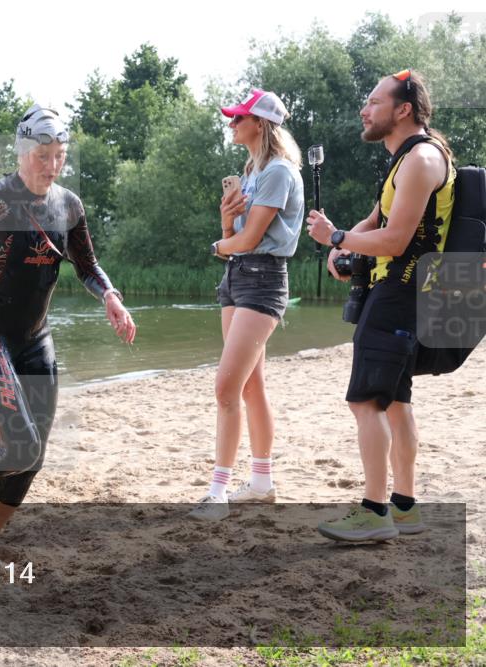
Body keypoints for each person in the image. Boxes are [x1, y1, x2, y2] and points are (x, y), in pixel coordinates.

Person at [0, 104, 136, 560]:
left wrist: (111, 296)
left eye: (59, 155)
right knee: (17, 444)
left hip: (36, 342)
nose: (51, 165)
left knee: (30, 457)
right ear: (21, 152)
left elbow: (87, 265)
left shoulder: (68, 204)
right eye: (42, 155)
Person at [307, 70, 454, 541]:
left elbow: (394, 239)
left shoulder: (422, 159)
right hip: (406, 292)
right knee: (395, 401)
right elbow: (374, 222)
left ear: (402, 109)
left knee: (365, 400)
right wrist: (342, 246)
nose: (364, 110)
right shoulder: (404, 162)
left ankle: (374, 512)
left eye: (373, 102)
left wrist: (335, 237)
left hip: (401, 292)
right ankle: (405, 507)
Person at [190, 89, 304, 521]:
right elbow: (237, 233)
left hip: (262, 279)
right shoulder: (252, 171)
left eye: (239, 118)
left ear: (261, 124)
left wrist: (219, 244)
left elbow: (250, 240)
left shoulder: (277, 172)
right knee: (250, 386)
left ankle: (217, 493)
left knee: (226, 388)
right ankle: (260, 482)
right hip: (238, 277)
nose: (231, 124)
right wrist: (225, 221)